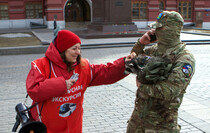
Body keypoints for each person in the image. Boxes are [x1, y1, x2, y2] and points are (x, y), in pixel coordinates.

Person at [26, 29, 136, 133]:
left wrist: (124, 63)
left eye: (79, 48)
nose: (78, 52)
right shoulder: (41, 65)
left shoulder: (83, 67)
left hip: (73, 128)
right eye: (74, 48)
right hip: (46, 129)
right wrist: (61, 85)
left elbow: (105, 72)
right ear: (62, 49)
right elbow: (34, 90)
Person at [126, 11, 195, 133]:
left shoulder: (184, 58)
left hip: (160, 126)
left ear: (171, 30)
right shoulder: (155, 50)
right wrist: (141, 43)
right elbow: (133, 62)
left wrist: (142, 86)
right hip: (138, 122)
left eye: (159, 28)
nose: (155, 31)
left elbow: (170, 90)